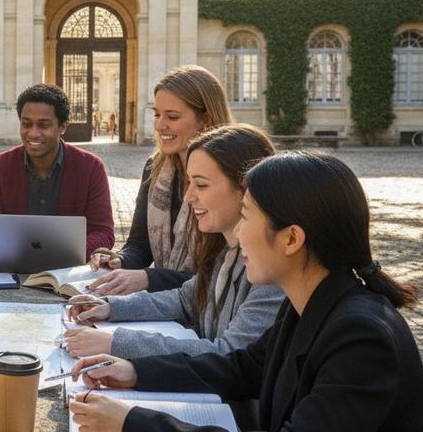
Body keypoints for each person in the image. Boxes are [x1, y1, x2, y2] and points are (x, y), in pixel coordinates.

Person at [68, 151, 423, 432]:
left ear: (291, 238)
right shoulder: (313, 304)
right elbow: (241, 367)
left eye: (246, 217)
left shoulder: (362, 334)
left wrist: (135, 426)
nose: (237, 235)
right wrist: (136, 370)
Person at [64, 124, 283, 359]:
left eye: (201, 185)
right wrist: (110, 307)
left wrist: (116, 343)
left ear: (244, 189)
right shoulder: (225, 250)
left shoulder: (270, 269)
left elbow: (230, 354)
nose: (188, 197)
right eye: (189, 184)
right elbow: (186, 298)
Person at [87, 66, 233, 297]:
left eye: (172, 117)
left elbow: (221, 276)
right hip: (167, 303)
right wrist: (119, 261)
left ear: (205, 120)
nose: (159, 125)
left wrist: (149, 278)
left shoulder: (230, 176)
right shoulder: (154, 169)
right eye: (157, 114)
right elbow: (139, 245)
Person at [0, 83, 115, 258]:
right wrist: (31, 252)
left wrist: (55, 253)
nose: (33, 133)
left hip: (68, 273)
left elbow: (103, 233)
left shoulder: (91, 168)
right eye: (26, 124)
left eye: (43, 125)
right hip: (12, 271)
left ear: (63, 127)